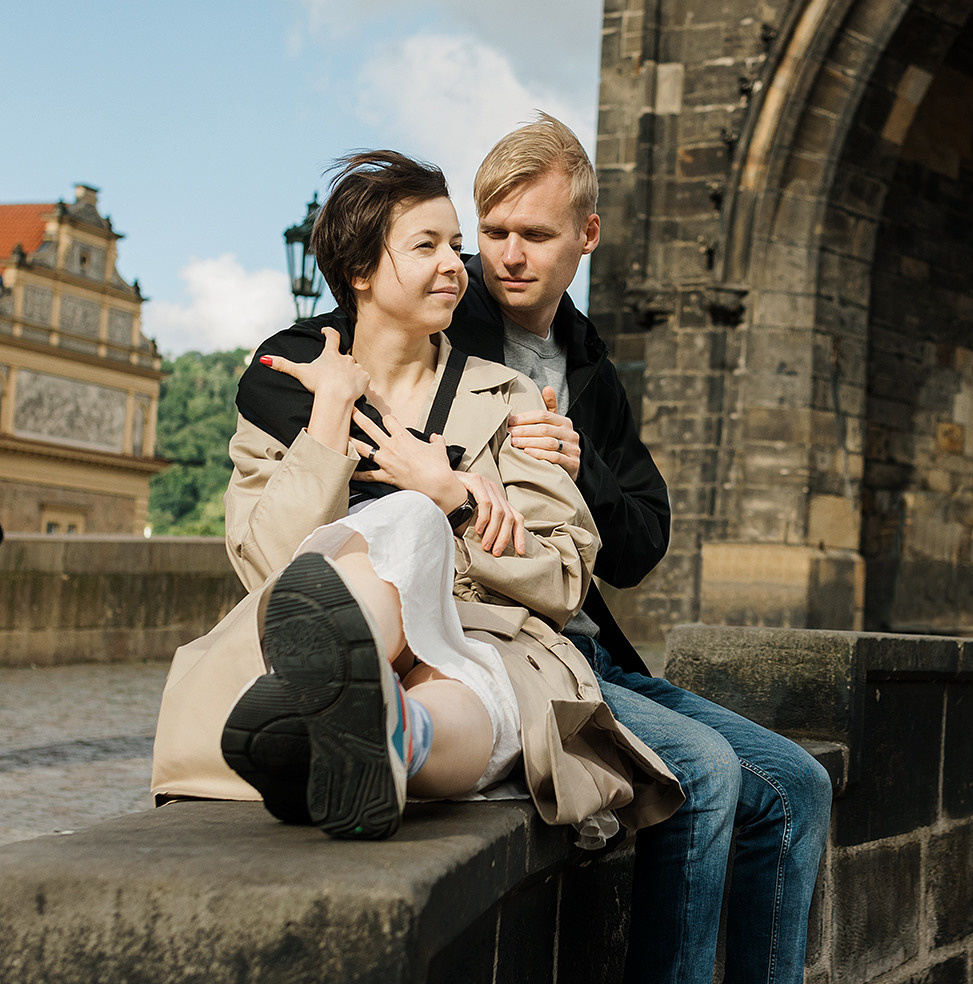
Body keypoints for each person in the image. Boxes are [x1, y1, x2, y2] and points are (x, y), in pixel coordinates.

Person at [149, 150, 681, 844]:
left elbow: (564, 578)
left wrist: (451, 501)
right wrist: (326, 429)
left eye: (456, 247)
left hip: (478, 635)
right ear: (362, 272)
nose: (457, 266)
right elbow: (266, 571)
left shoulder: (513, 395)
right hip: (316, 631)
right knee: (398, 530)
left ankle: (368, 729)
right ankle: (367, 709)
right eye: (426, 246)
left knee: (472, 669)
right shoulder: (295, 397)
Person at [450, 114, 831, 984]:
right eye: (494, 232)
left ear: (587, 234)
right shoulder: (444, 317)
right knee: (702, 775)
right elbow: (287, 367)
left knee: (798, 786)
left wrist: (583, 473)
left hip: (595, 653)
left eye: (534, 235)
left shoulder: (585, 360)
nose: (508, 255)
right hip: (507, 646)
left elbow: (642, 541)